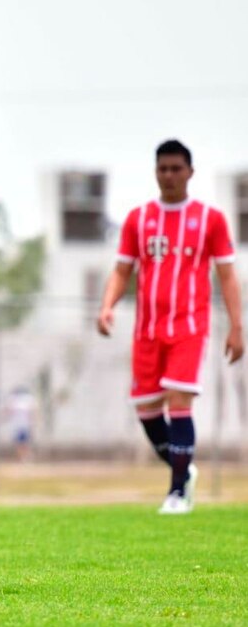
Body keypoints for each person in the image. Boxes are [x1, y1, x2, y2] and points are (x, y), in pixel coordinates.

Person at [97, 139, 243, 515]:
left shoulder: (210, 219)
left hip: (189, 328)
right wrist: (107, 306)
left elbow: (227, 276)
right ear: (155, 172)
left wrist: (237, 326)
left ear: (190, 172)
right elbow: (121, 270)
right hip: (147, 330)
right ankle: (183, 469)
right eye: (163, 169)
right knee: (146, 410)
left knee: (179, 402)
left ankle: (178, 491)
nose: (169, 175)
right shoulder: (138, 219)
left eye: (176, 168)